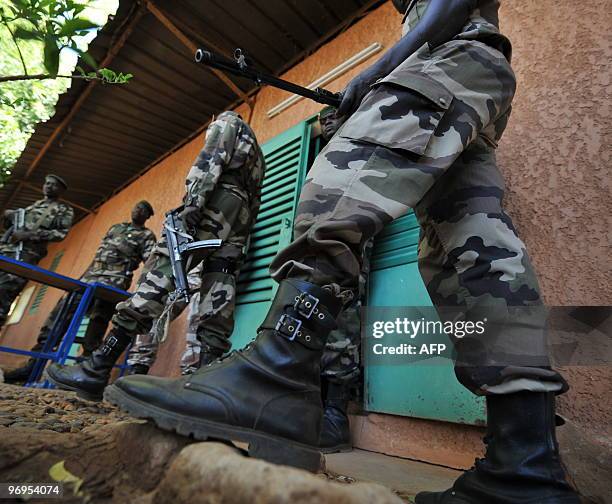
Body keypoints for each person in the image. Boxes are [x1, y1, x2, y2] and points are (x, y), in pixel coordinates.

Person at [102, 0, 581, 500]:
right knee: (474, 249)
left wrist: (378, 69)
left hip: (452, 57)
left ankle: (277, 369)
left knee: (346, 178)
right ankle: (525, 461)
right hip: (477, 73)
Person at [46, 111, 265, 401]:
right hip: (241, 216)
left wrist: (192, 205)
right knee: (220, 289)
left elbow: (211, 160)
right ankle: (203, 385)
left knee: (163, 269)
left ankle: (97, 368)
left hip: (218, 199)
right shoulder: (258, 151)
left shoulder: (226, 121)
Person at [3, 201, 156, 384]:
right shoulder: (116, 228)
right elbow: (98, 255)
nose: (137, 210)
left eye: (142, 210)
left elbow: (150, 262)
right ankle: (33, 366)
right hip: (89, 278)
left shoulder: (146, 235)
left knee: (96, 327)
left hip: (113, 283)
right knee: (58, 317)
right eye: (136, 207)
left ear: (147, 216)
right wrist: (82, 276)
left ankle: (84, 373)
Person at [0, 174, 73, 327]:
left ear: (60, 190)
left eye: (53, 184)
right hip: (6, 250)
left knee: (4, 292)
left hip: (25, 254)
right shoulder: (34, 205)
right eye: (46, 183)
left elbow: (60, 234)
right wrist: (10, 217)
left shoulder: (63, 209)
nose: (48, 186)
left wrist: (30, 234)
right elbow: (13, 229)